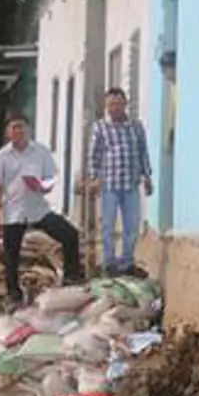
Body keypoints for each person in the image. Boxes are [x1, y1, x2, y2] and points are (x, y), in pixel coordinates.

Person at [0, 115, 84, 307]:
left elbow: (50, 178)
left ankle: (71, 277)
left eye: (21, 127)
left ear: (28, 130)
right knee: (11, 254)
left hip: (38, 208)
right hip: (13, 210)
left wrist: (43, 187)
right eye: (14, 128)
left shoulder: (40, 152)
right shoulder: (1, 157)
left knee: (70, 234)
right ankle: (13, 294)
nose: (18, 131)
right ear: (8, 132)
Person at [86, 87, 154, 276]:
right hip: (109, 184)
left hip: (131, 184)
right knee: (108, 225)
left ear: (125, 105)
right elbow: (94, 154)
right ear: (106, 107)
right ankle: (109, 263)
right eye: (110, 105)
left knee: (131, 226)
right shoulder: (100, 127)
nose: (114, 108)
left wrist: (147, 177)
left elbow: (143, 152)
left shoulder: (136, 126)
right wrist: (93, 178)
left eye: (117, 104)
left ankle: (127, 263)